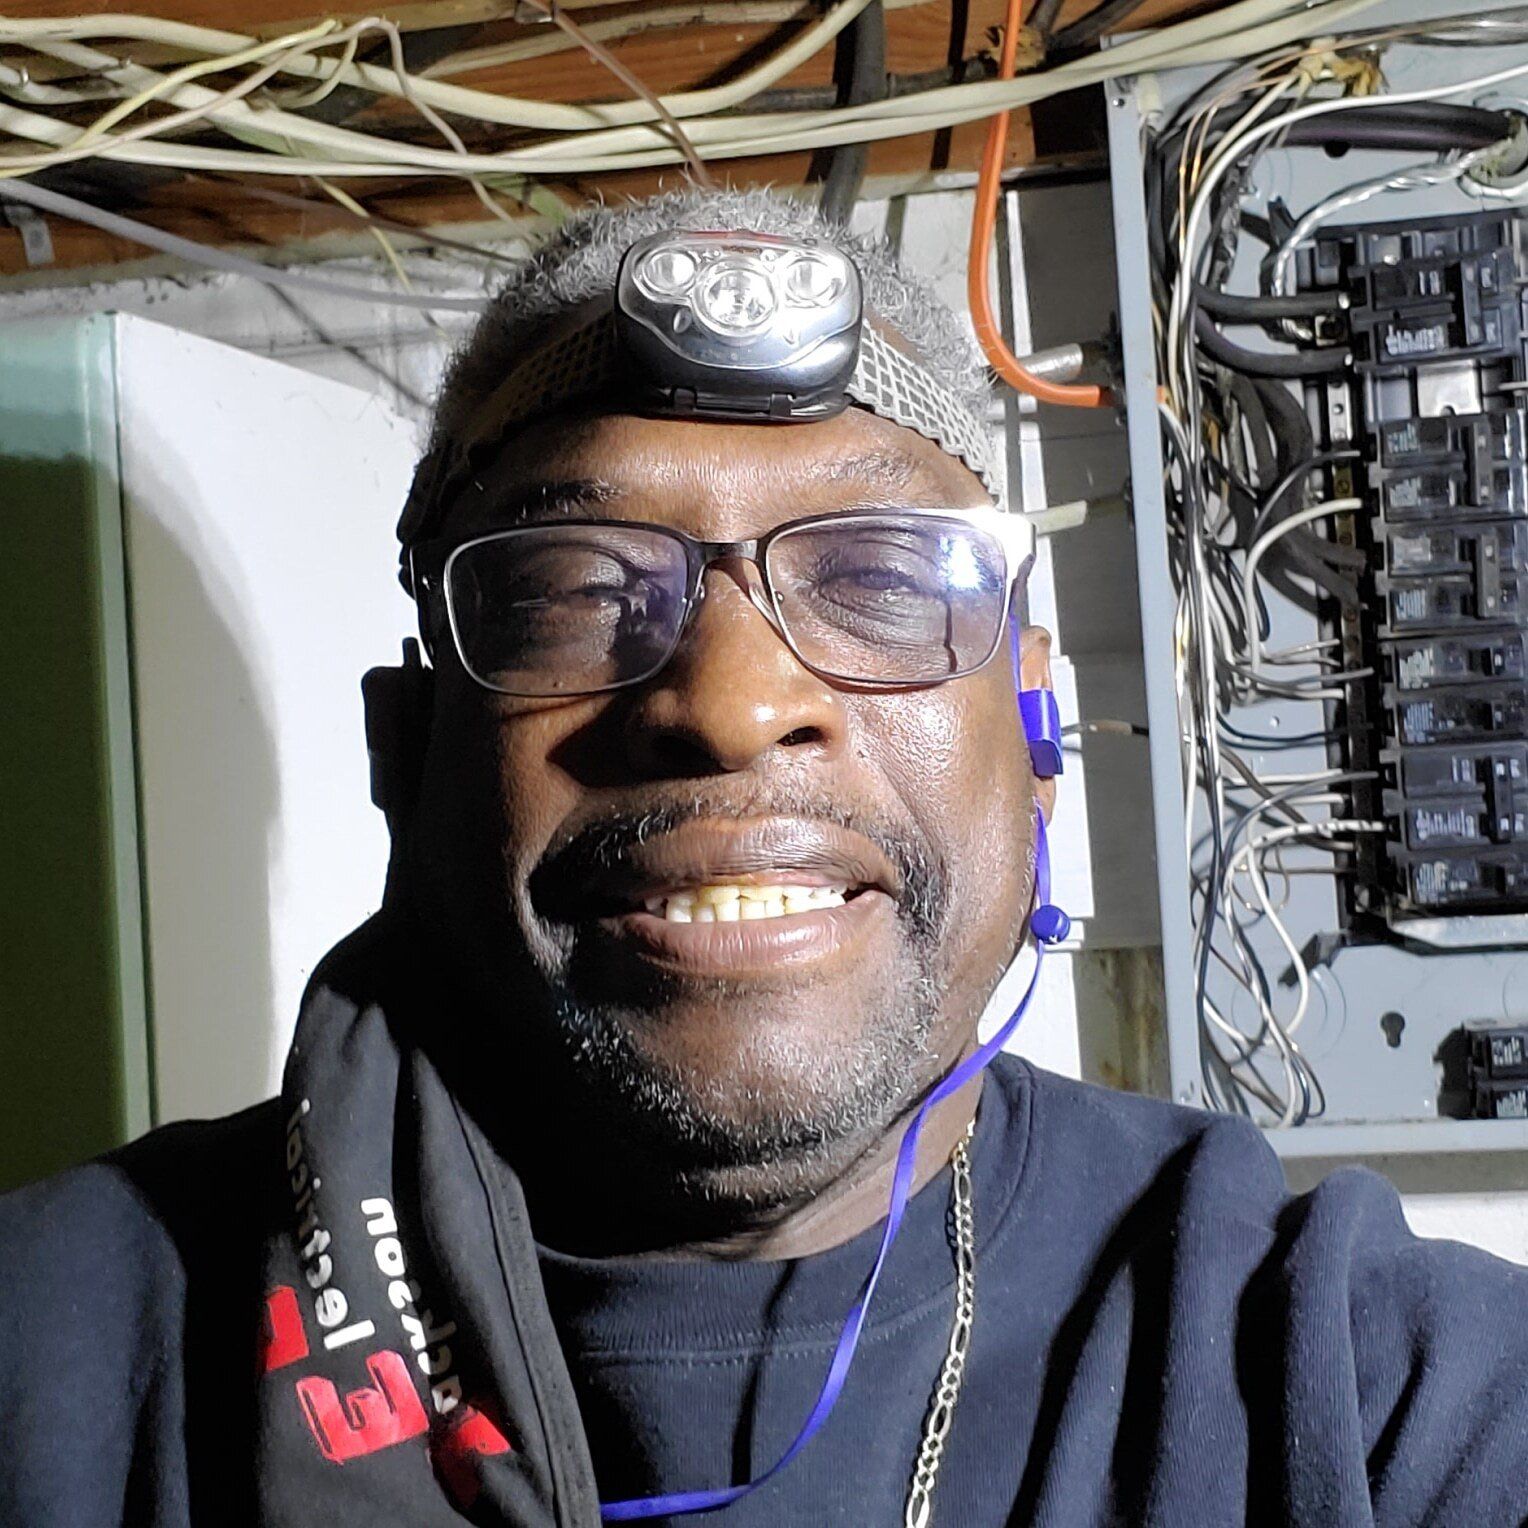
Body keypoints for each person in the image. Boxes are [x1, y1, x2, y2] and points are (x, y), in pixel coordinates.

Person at [2, 187, 1525, 1528]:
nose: (730, 705)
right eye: (573, 589)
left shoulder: (1365, 1396)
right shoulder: (56, 1358)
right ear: (408, 753)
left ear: (1038, 721)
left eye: (874, 576)